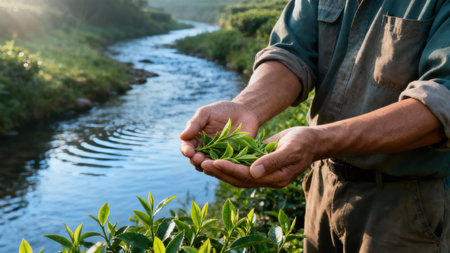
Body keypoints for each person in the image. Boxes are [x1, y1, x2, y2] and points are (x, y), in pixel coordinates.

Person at [180, 0, 450, 252]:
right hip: (322, 185)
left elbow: (443, 98)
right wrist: (247, 107)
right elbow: (292, 52)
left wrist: (319, 141)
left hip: (408, 204)